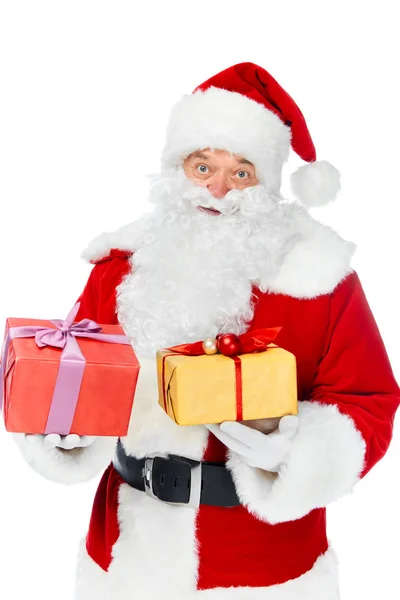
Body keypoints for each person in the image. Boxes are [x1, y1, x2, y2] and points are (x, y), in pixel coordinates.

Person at [12, 62, 400, 599]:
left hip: (263, 562)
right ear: (177, 170)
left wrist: (292, 455)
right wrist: (61, 425)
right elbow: (83, 370)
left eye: (241, 172)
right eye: (202, 167)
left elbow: (367, 396)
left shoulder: (317, 277)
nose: (218, 189)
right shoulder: (120, 266)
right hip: (129, 550)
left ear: (266, 183)